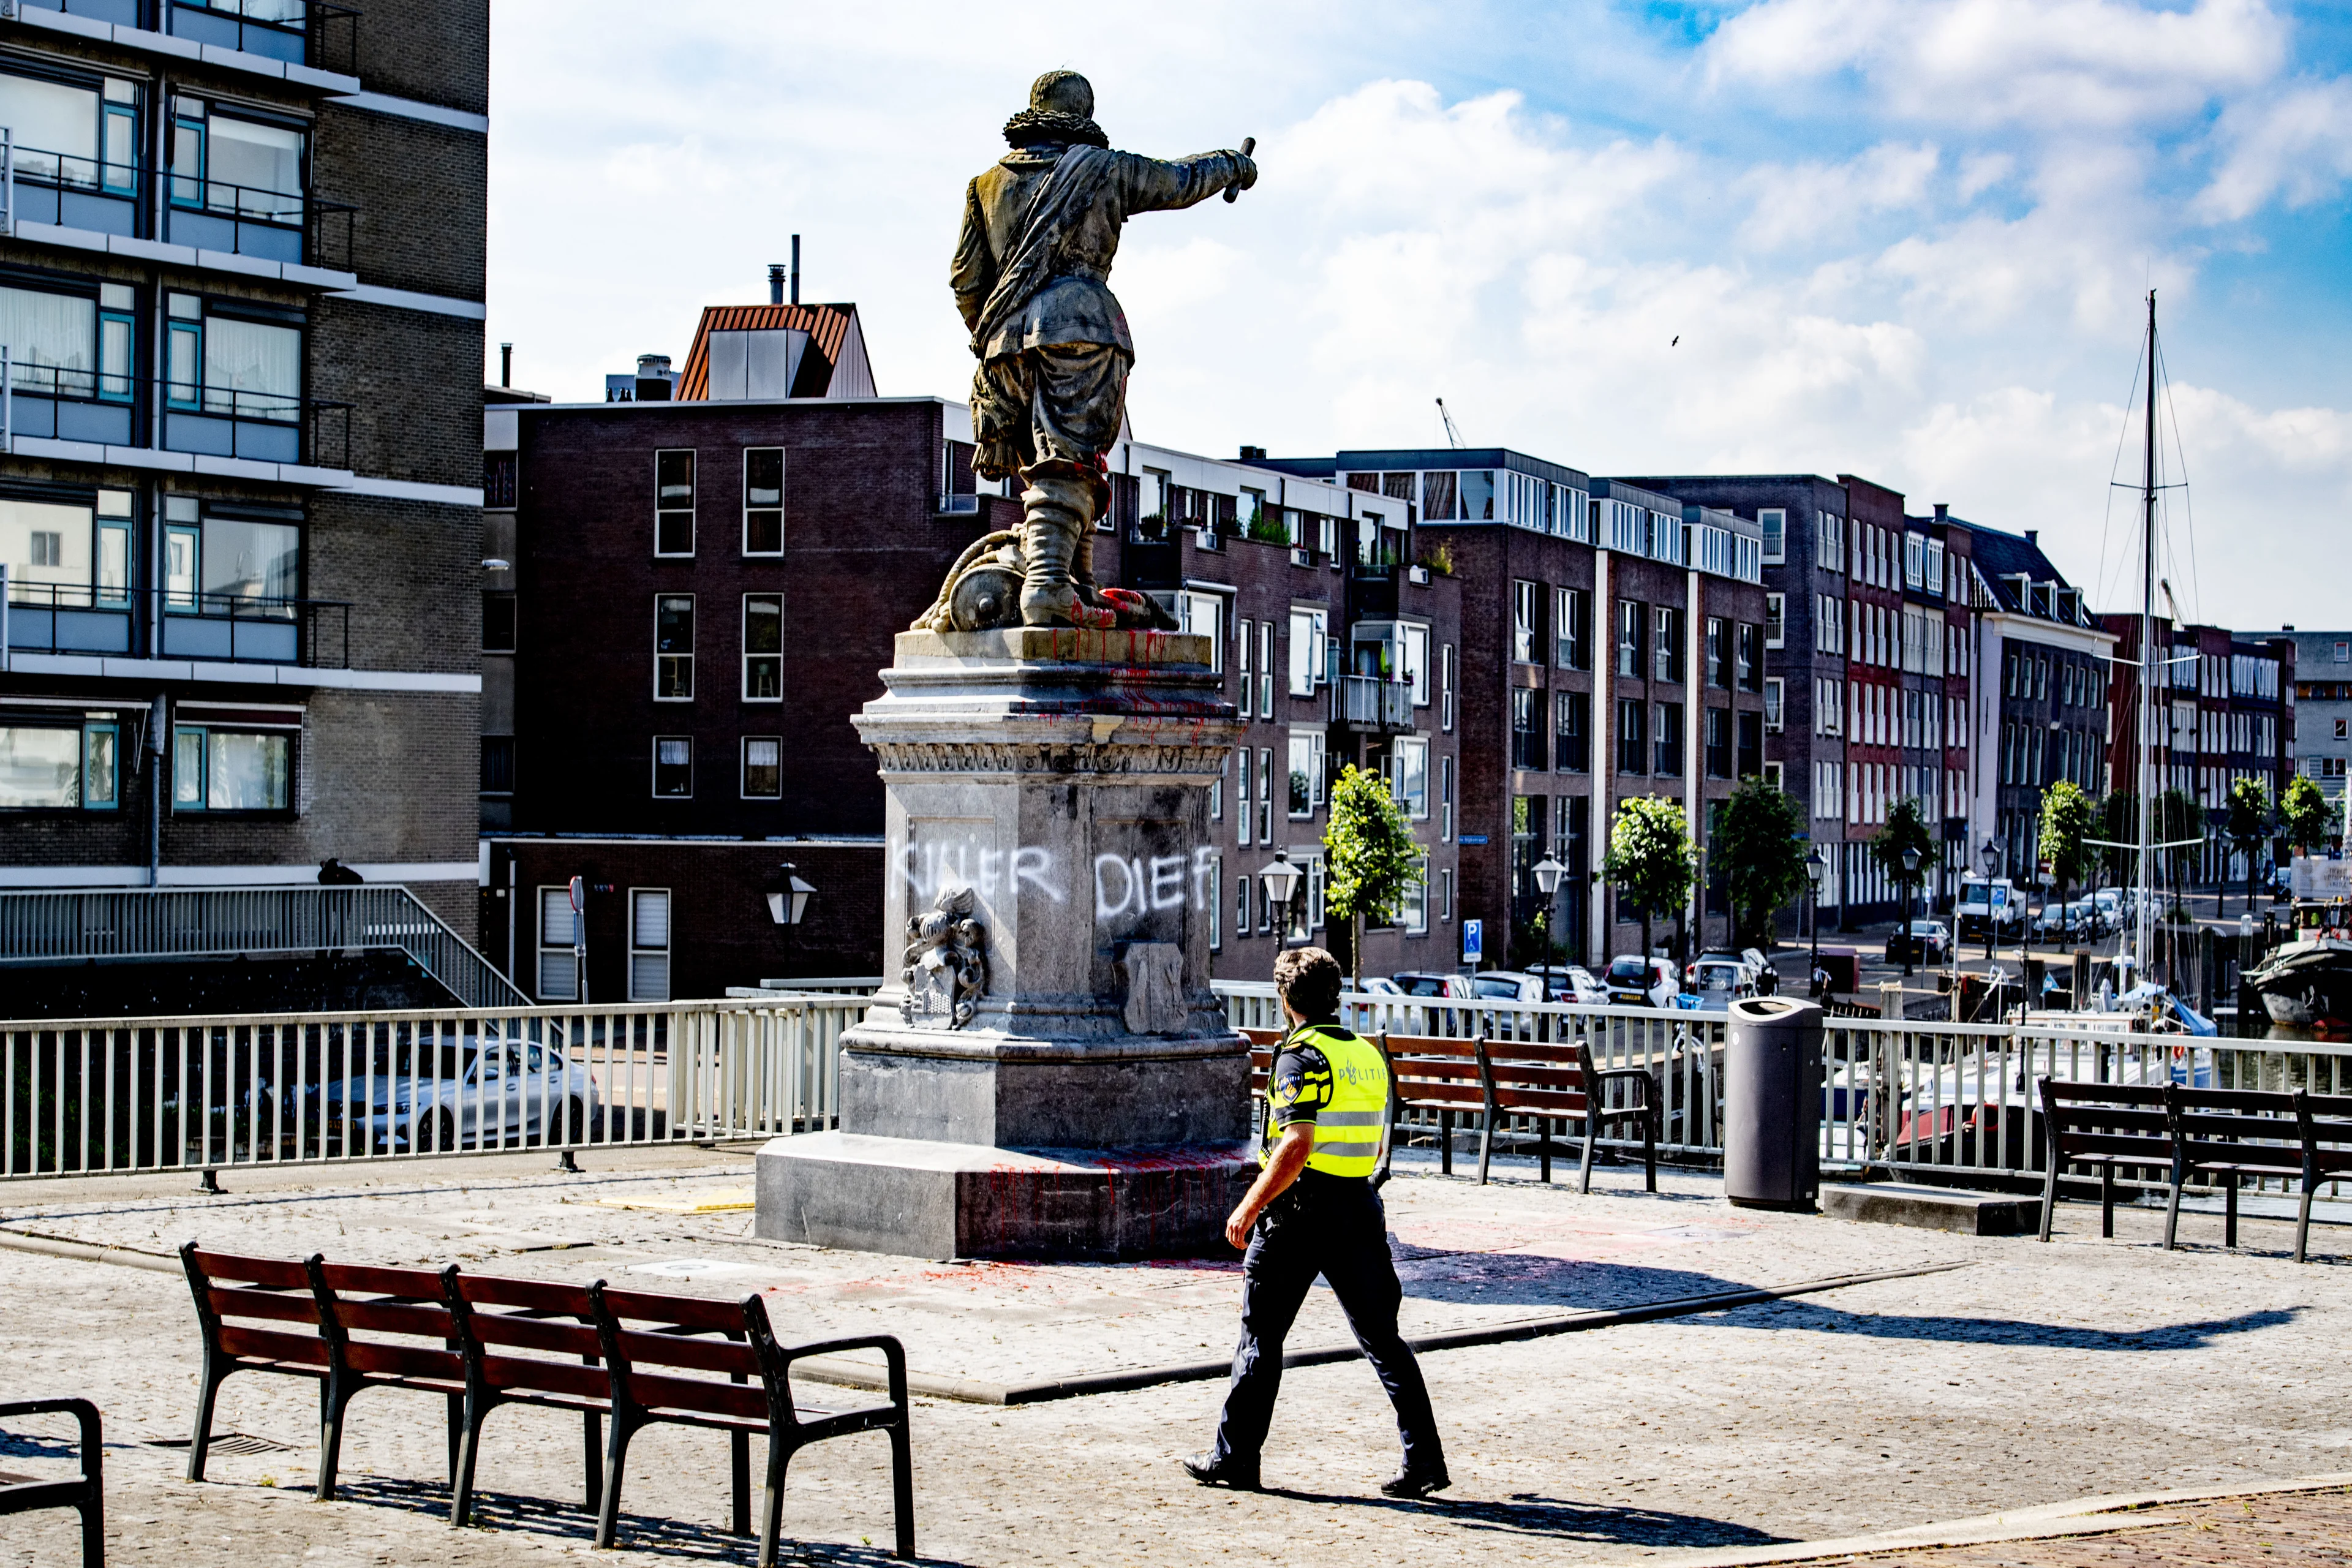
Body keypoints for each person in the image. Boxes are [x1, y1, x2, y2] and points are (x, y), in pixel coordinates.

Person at [937, 70, 1254, 628]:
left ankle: (1075, 579)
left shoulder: (985, 185)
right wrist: (1234, 164)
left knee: (1049, 464)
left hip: (1004, 343)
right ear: (1083, 117)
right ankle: (1047, 586)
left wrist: (997, 336)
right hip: (1083, 328)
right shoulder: (1103, 169)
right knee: (1071, 459)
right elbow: (1180, 180)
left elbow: (965, 281)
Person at [1182, 946, 1449, 1498]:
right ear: (1334, 993)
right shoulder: (1366, 1055)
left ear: (1285, 1000)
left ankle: (1235, 1459)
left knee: (1261, 1337)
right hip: (1357, 1206)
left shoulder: (1299, 1057)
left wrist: (1250, 1205)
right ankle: (1424, 1461)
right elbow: (1370, 1140)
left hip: (1299, 1213)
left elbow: (1297, 1145)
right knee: (1384, 1338)